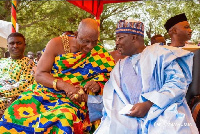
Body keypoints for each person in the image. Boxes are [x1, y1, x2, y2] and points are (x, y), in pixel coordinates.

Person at [0, 18, 115, 133]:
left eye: (94, 41)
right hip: (44, 92)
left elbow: (111, 77)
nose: (90, 46)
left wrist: (98, 85)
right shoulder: (56, 44)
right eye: (85, 41)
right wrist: (65, 86)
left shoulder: (99, 52)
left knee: (65, 118)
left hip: (73, 100)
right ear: (76, 35)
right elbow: (39, 74)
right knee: (13, 111)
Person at [95, 18, 198, 133]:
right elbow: (111, 99)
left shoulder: (160, 54)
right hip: (128, 117)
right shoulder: (119, 67)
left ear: (134, 37)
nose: (117, 42)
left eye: (120, 37)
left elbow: (177, 84)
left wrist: (149, 104)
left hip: (160, 111)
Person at [0, 32, 35, 117]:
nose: (15, 46)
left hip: (12, 98)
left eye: (18, 43)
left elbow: (24, 86)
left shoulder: (29, 64)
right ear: (7, 46)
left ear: (24, 45)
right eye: (12, 43)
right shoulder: (2, 62)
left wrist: (1, 92)